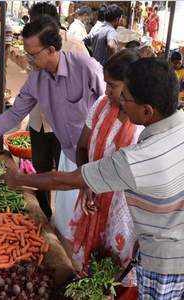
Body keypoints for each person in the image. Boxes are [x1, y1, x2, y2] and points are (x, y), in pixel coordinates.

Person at [2, 58, 184, 300]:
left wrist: (19, 179)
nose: (120, 101)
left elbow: (66, 181)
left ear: (147, 110)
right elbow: (83, 150)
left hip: (165, 261)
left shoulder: (140, 158)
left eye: (126, 98)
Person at [0, 16, 105, 242]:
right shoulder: (36, 80)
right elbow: (15, 114)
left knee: (96, 218)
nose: (27, 58)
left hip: (97, 157)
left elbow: (110, 105)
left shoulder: (85, 67)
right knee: (70, 220)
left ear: (52, 49)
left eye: (32, 53)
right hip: (69, 155)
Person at [72, 50, 143, 296]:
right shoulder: (101, 106)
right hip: (92, 197)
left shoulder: (143, 121)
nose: (106, 91)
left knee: (119, 271)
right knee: (90, 264)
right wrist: (86, 183)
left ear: (130, 86)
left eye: (112, 86)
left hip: (123, 210)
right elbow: (82, 147)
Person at [27, 2, 89, 220]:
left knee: (66, 174)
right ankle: (44, 215)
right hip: (38, 120)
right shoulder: (32, 44)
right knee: (41, 169)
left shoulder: (75, 45)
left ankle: (66, 221)